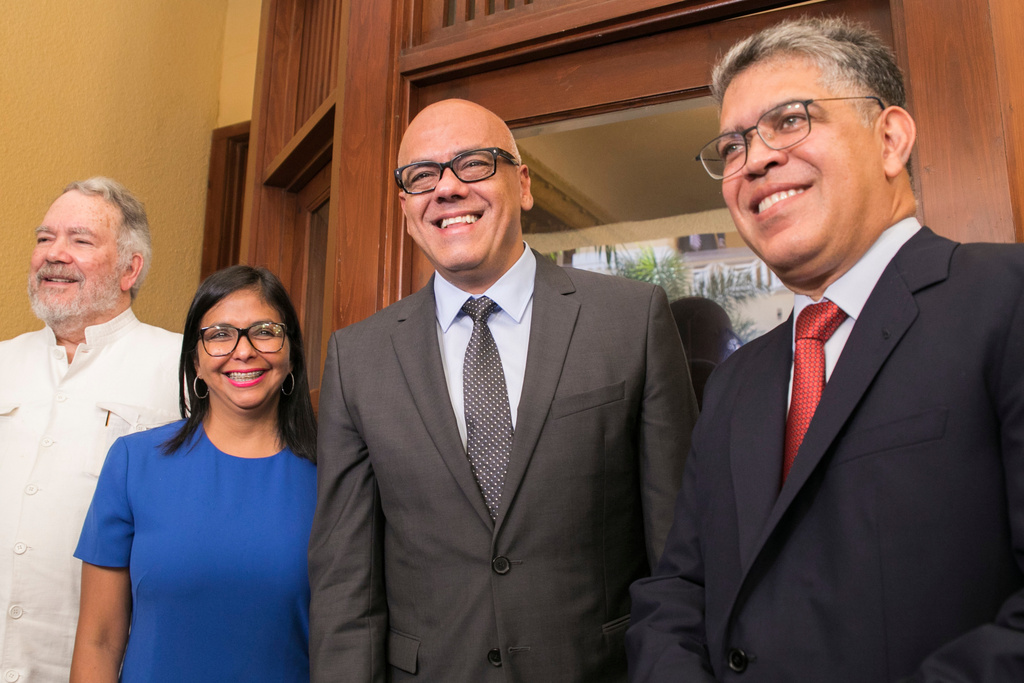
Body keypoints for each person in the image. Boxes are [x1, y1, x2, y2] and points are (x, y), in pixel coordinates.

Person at [627, 16, 1024, 682]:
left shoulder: (1006, 299)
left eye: (789, 121)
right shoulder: (734, 381)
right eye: (731, 146)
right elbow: (678, 590)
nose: (754, 160)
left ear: (890, 139)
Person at [309, 98, 698, 682]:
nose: (447, 189)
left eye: (473, 163)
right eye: (422, 176)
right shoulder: (356, 358)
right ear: (406, 208)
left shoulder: (630, 320)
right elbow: (346, 585)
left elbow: (679, 552)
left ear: (523, 184)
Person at [70, 265, 318, 682]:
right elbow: (99, 640)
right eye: (219, 335)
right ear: (195, 362)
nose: (243, 351)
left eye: (265, 331)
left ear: (291, 353)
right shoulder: (133, 462)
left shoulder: (335, 475)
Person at [0, 177, 180, 683]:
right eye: (44, 238)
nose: (54, 254)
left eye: (79, 240)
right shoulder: (3, 361)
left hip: (95, 666)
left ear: (130, 269)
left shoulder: (182, 367)